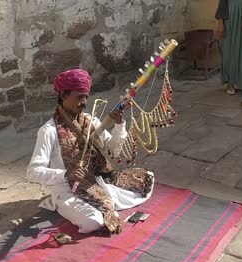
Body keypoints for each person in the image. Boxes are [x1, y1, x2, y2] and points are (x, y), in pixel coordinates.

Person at [27, 69, 155, 236]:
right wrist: (66, 174)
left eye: (86, 97)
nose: (84, 102)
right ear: (64, 95)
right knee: (94, 222)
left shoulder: (90, 120)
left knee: (147, 178)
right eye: (79, 96)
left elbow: (114, 150)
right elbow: (32, 172)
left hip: (94, 181)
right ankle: (60, 204)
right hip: (66, 188)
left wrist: (119, 124)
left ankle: (101, 200)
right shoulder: (49, 130)